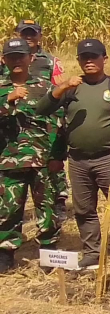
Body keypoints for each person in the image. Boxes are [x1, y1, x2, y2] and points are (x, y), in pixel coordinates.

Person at [35, 38, 110, 272]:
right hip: (78, 159)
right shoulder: (71, 88)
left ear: (104, 59)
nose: (89, 61)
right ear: (78, 61)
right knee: (84, 209)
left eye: (94, 57)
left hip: (109, 158)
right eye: (84, 57)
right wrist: (61, 88)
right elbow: (41, 110)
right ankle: (91, 253)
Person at [0, 38, 62, 273]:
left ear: (31, 58)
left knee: (47, 207)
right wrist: (7, 100)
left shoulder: (46, 87)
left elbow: (59, 122)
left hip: (42, 159)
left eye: (21, 56)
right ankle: (5, 253)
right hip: (8, 160)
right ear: (3, 60)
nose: (17, 61)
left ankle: (49, 251)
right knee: (8, 209)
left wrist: (57, 154)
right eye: (11, 57)